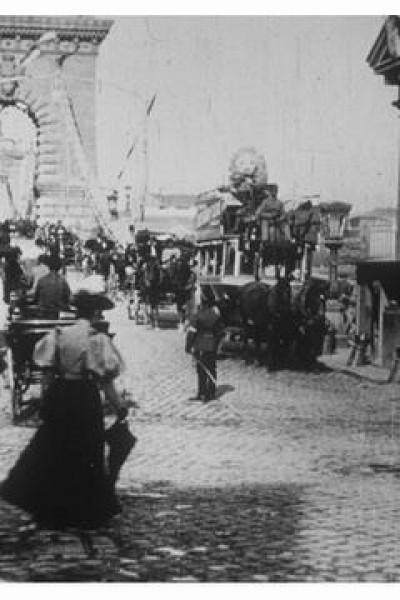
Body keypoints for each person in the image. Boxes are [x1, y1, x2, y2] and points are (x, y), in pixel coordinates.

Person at [0, 288, 128, 540]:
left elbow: (47, 374)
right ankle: (84, 510)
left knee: (55, 449)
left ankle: (51, 507)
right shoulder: (96, 338)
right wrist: (119, 405)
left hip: (61, 394)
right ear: (94, 313)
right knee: (88, 450)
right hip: (84, 397)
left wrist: (46, 400)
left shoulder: (58, 335)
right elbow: (105, 380)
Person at [185, 295, 225, 402]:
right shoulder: (216, 317)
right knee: (211, 369)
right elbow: (220, 333)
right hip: (211, 346)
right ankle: (210, 394)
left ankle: (201, 393)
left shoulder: (197, 316)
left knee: (201, 370)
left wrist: (188, 347)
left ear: (202, 303)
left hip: (199, 345)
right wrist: (216, 344)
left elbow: (191, 333)